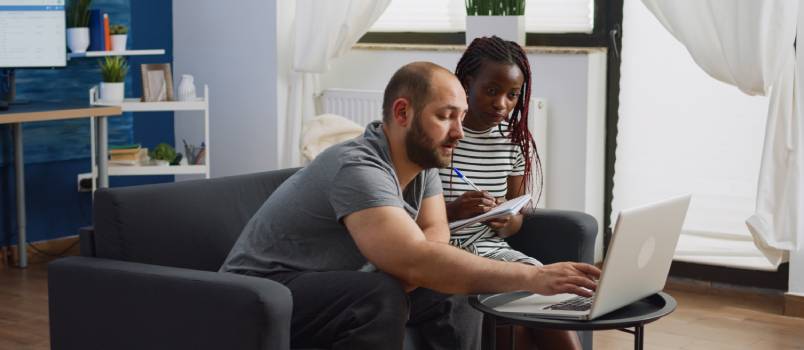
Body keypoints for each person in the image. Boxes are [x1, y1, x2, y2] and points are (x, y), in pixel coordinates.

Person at [220, 61, 600, 350]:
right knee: (379, 294)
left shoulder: (423, 162)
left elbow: (435, 240)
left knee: (454, 286)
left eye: (461, 117)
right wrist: (535, 277)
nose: (458, 132)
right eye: (445, 116)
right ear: (402, 113)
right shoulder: (357, 167)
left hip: (321, 287)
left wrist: (421, 266)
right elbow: (417, 259)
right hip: (257, 299)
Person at [440, 36, 583, 349]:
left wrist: (506, 220)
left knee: (549, 300)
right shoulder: (441, 134)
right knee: (515, 327)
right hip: (448, 251)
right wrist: (454, 210)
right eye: (492, 91)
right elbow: (408, 212)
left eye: (512, 95)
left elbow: (518, 213)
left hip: (493, 250)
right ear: (467, 84)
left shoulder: (513, 141)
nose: (501, 103)